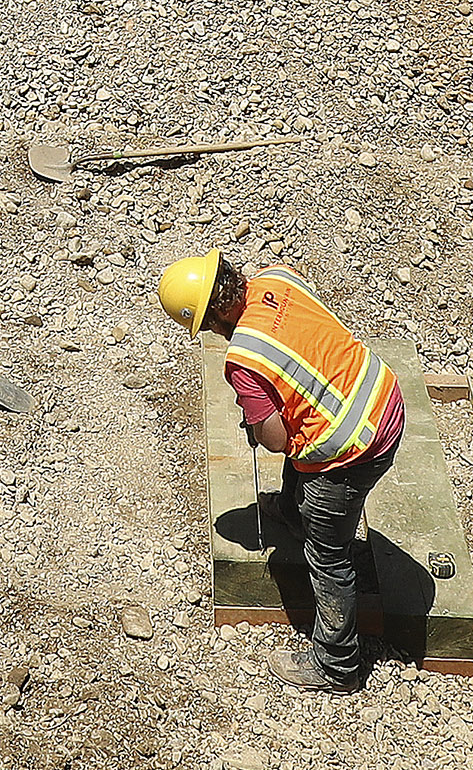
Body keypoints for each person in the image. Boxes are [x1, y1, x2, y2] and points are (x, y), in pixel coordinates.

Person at [157, 252, 401, 693]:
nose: (214, 333)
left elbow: (276, 440)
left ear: (212, 313)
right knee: (304, 465)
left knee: (328, 556)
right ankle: (293, 510)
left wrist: (258, 415)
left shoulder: (244, 360)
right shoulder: (279, 277)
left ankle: (336, 664)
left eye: (207, 325)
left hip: (357, 447)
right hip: (382, 394)